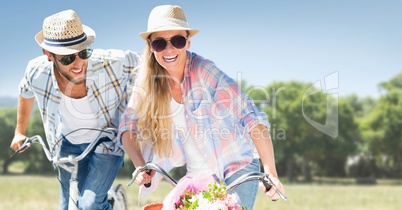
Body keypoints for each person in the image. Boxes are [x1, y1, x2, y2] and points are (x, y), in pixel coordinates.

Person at [118, 5, 285, 209]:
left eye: (177, 41)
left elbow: (252, 116)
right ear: (150, 46)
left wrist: (271, 173)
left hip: (235, 169)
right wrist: (139, 165)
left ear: (188, 41)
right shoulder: (147, 82)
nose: (169, 50)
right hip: (196, 177)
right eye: (160, 43)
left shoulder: (204, 71)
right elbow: (127, 126)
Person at [10, 9, 139, 210]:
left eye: (83, 53)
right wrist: (19, 132)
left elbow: (148, 64)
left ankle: (113, 203)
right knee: (67, 206)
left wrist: (134, 105)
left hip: (106, 140)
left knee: (89, 205)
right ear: (49, 55)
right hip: (66, 143)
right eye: (68, 58)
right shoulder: (37, 72)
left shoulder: (111, 62)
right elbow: (25, 92)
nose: (79, 64)